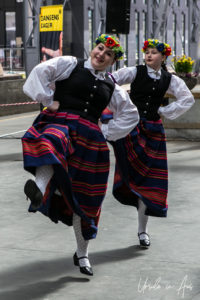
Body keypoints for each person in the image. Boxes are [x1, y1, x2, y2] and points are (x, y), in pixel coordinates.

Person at [22, 33, 139, 276]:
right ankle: (39, 188)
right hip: (61, 122)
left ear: (112, 61)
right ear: (92, 48)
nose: (101, 55)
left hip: (91, 141)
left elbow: (131, 114)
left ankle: (82, 254)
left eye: (108, 54)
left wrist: (107, 130)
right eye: (99, 48)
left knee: (86, 199)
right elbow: (40, 72)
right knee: (52, 142)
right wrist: (48, 99)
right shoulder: (69, 64)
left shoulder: (112, 86)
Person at [107, 38, 195, 249]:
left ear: (163, 57)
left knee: (149, 183)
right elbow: (109, 79)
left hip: (154, 131)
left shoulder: (169, 79)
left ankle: (142, 231)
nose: (148, 55)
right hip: (131, 127)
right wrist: (121, 104)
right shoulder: (135, 71)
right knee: (131, 176)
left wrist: (164, 111)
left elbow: (187, 98)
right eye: (147, 51)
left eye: (154, 52)